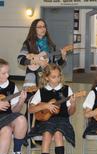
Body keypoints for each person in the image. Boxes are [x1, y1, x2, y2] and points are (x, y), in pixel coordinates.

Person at [17, 18, 68, 146]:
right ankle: (24, 136)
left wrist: (62, 58)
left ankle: (40, 135)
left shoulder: (51, 45)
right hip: (32, 80)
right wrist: (35, 61)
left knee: (43, 107)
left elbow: (56, 65)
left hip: (46, 81)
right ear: (34, 29)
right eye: (39, 27)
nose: (43, 28)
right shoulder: (28, 43)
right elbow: (20, 59)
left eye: (44, 26)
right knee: (31, 108)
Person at [27, 64, 76, 154]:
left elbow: (70, 112)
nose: (57, 79)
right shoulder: (41, 91)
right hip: (45, 121)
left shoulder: (66, 89)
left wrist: (73, 104)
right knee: (47, 135)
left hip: (62, 120)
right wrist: (45, 105)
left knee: (58, 134)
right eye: (53, 77)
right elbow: (31, 109)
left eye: (58, 76)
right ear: (46, 77)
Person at [0, 58, 27, 154]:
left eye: (8, 72)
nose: (7, 75)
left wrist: (21, 101)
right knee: (6, 130)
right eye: (3, 73)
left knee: (21, 119)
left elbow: (15, 111)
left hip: (5, 118)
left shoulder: (11, 86)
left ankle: (17, 152)